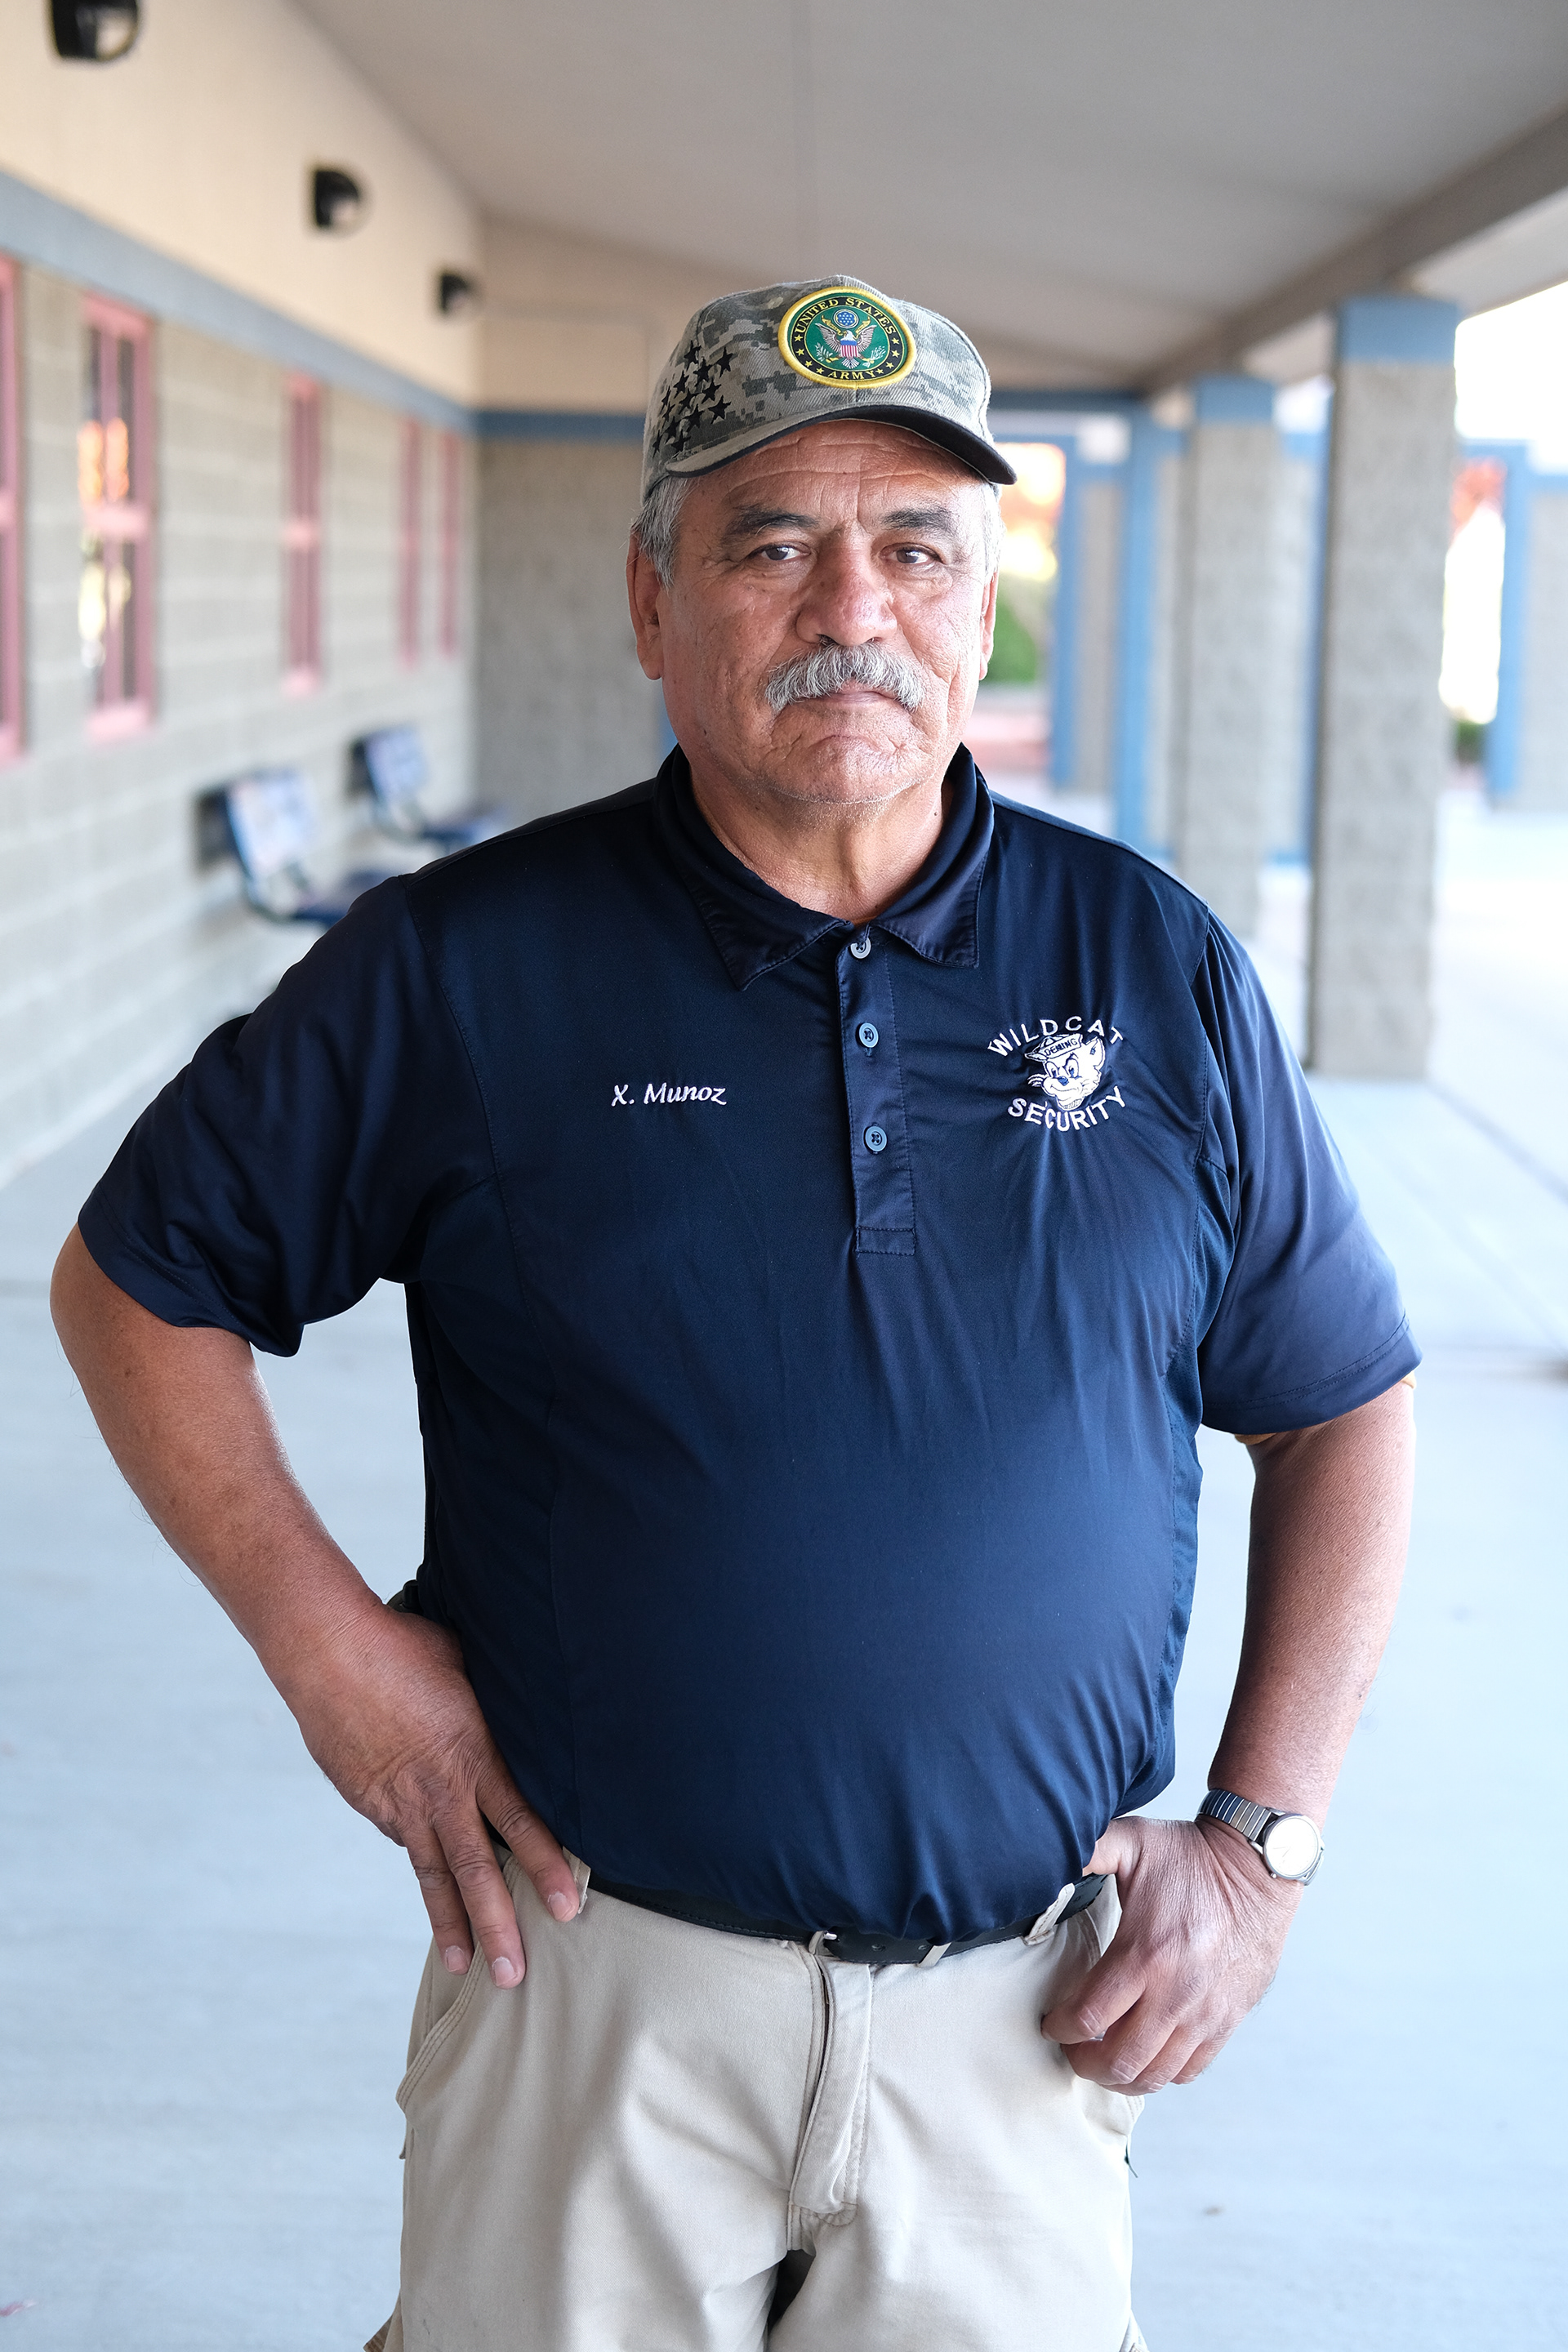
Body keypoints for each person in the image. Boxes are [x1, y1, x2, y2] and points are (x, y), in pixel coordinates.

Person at [51, 276, 1417, 2352]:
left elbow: (1342, 1404)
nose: (849, 603)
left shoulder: (1156, 969)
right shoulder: (468, 969)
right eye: (773, 543)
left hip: (1021, 2029)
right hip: (589, 2005)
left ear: (980, 606)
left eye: (917, 547)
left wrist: (1261, 1840)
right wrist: (328, 1653)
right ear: (653, 599)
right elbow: (137, 1279)